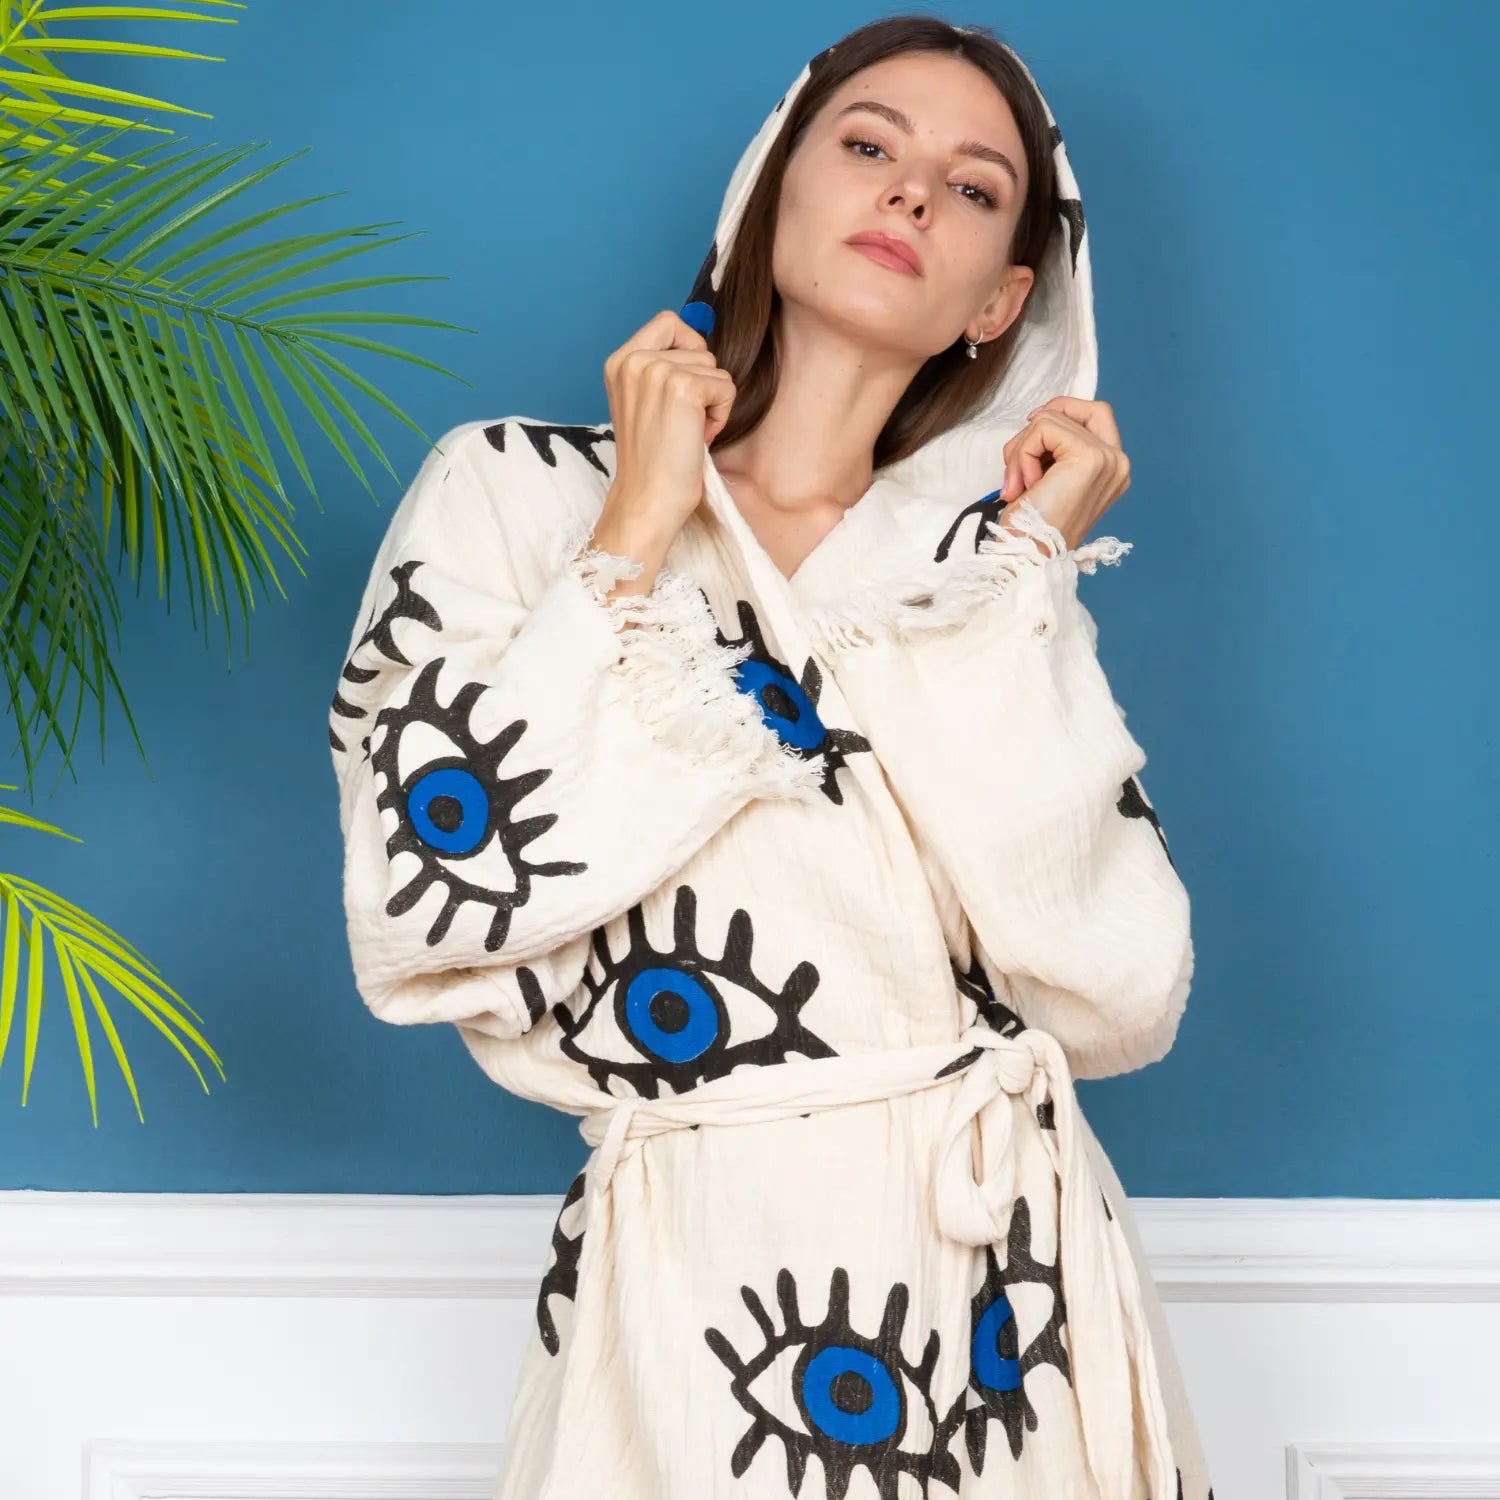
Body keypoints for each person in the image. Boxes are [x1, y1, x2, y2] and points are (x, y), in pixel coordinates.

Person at [328, 13, 1214, 1499]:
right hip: (699, 1278)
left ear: (1001, 301)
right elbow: (429, 894)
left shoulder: (972, 579)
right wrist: (632, 532)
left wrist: (1024, 579)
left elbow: (1117, 989)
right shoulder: (513, 492)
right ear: (771, 192)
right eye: (868, 146)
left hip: (1008, 1299)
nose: (912, 192)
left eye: (973, 187)